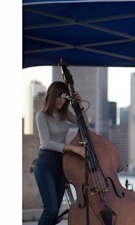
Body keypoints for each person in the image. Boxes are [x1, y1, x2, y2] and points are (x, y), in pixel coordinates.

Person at [34, 81, 87, 225]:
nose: (61, 100)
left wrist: (80, 104)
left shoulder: (64, 114)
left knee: (56, 208)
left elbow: (83, 125)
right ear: (51, 96)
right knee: (50, 209)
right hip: (46, 163)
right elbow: (47, 143)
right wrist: (73, 148)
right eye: (58, 96)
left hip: (61, 164)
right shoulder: (42, 116)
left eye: (64, 97)